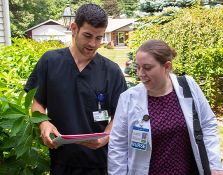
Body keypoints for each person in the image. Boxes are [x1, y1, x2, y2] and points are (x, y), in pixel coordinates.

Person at [25, 3, 127, 175]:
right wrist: (43, 122)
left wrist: (106, 136)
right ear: (74, 28)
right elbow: (37, 102)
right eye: (87, 35)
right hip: (60, 161)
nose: (93, 44)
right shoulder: (50, 62)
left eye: (98, 38)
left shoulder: (112, 71)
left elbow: (121, 114)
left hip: (99, 163)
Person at [108, 39, 223, 175]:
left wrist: (215, 166)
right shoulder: (128, 98)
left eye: (147, 67)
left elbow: (207, 125)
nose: (140, 74)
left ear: (167, 66)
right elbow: (118, 146)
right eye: (138, 67)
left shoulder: (188, 86)